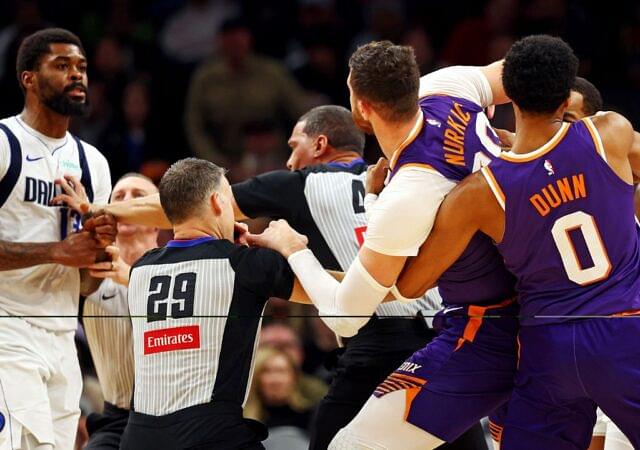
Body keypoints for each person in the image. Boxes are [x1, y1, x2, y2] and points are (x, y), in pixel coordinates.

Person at [246, 41, 519, 449]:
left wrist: (292, 248)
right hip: (536, 306)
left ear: (361, 108)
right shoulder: (450, 87)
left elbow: (345, 317)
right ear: (414, 84)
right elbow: (519, 71)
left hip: (482, 333)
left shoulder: (408, 189)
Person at [391, 35, 640, 449]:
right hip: (623, 331)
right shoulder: (609, 133)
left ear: (509, 100)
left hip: (547, 346)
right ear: (566, 99)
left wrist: (384, 194)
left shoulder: (478, 192)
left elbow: (410, 286)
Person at [119, 158, 314, 450]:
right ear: (217, 202)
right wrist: (288, 248)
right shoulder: (245, 265)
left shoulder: (140, 269)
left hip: (138, 436)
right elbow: (326, 290)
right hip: (210, 435)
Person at [0, 28, 113, 450]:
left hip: (64, 332)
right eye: (62, 66)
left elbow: (87, 282)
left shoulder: (93, 163)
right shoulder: (4, 142)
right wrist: (57, 251)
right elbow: (62, 255)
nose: (77, 75)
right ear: (28, 78)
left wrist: (96, 255)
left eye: (81, 67)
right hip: (7, 329)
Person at [52, 173, 159, 449]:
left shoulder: (178, 268)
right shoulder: (90, 274)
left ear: (158, 218)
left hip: (173, 416)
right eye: (118, 197)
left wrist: (132, 278)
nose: (126, 202)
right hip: (116, 418)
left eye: (138, 196)